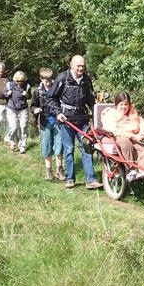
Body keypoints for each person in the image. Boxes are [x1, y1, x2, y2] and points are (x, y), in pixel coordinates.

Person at [46, 55, 102, 190]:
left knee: (87, 148)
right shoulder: (62, 78)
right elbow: (51, 98)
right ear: (71, 65)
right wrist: (58, 113)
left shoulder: (86, 80)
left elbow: (90, 100)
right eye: (78, 66)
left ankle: (91, 180)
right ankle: (70, 179)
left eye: (83, 66)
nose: (81, 68)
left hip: (82, 119)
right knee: (69, 149)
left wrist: (98, 115)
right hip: (66, 120)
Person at [101, 92, 144, 181]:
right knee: (125, 142)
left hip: (130, 137)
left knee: (140, 145)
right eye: (121, 104)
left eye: (126, 104)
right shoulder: (111, 114)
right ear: (116, 105)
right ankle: (130, 171)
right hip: (111, 137)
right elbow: (114, 131)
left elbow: (142, 122)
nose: (124, 107)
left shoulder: (132, 113)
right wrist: (133, 136)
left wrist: (142, 133)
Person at [31, 67, 66, 181]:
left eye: (50, 79)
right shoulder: (37, 92)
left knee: (59, 145)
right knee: (46, 146)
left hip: (57, 121)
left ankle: (59, 169)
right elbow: (33, 105)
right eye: (45, 80)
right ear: (41, 79)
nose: (48, 82)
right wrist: (35, 110)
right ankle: (48, 170)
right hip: (44, 121)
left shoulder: (57, 89)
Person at [4, 71, 31, 153]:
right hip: (11, 109)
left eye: (22, 81)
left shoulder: (27, 86)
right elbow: (4, 93)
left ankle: (22, 145)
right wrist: (7, 93)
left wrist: (26, 95)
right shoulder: (9, 85)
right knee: (14, 127)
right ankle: (13, 142)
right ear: (15, 80)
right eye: (18, 81)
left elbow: (30, 96)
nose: (20, 83)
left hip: (23, 109)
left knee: (23, 127)